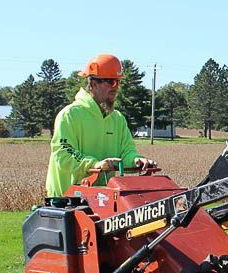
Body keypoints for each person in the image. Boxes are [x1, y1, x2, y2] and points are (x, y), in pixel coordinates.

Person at [45, 53, 157, 197]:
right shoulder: (70, 115)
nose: (116, 87)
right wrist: (95, 165)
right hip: (67, 200)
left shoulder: (117, 119)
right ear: (93, 84)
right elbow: (64, 153)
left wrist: (136, 160)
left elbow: (126, 152)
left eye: (118, 82)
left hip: (104, 200)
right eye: (111, 82)